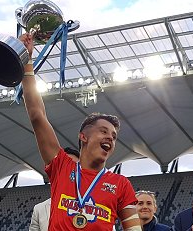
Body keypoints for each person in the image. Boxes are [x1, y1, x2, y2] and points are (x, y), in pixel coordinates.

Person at [20, 33, 141, 231]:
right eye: (103, 131)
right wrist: (27, 63)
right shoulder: (61, 167)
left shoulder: (121, 184)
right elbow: (37, 116)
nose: (110, 137)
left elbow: (134, 229)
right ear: (83, 136)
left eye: (114, 136)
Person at [29, 148, 80, 231]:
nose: (69, 171)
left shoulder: (95, 207)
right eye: (64, 166)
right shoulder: (39, 209)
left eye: (74, 166)